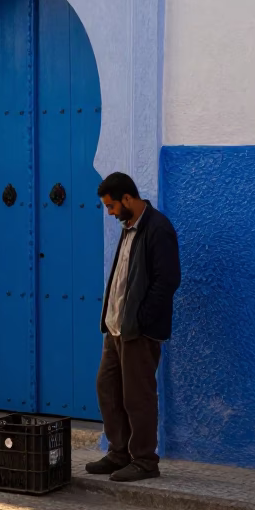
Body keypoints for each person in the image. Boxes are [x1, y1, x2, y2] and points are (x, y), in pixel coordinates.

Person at [85, 172, 181, 482]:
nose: (110, 213)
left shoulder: (158, 229)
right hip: (115, 330)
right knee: (107, 387)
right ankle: (119, 453)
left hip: (137, 332)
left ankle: (144, 460)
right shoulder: (129, 229)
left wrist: (140, 321)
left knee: (137, 395)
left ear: (128, 198)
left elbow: (167, 281)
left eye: (112, 206)